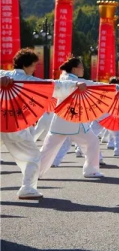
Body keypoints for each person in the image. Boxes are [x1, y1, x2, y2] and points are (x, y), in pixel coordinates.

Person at [0, 49, 85, 199]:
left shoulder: (3, 75)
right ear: (26, 66)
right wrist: (75, 85)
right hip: (15, 126)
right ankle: (27, 188)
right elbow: (54, 86)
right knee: (33, 156)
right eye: (33, 66)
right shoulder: (28, 80)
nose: (34, 69)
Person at [38, 57, 108, 179]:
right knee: (92, 141)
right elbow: (92, 84)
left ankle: (34, 172)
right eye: (81, 67)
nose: (83, 69)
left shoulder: (68, 80)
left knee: (47, 148)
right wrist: (116, 87)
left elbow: (92, 84)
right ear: (75, 69)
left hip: (61, 121)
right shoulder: (66, 80)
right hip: (73, 120)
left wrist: (115, 87)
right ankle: (91, 170)